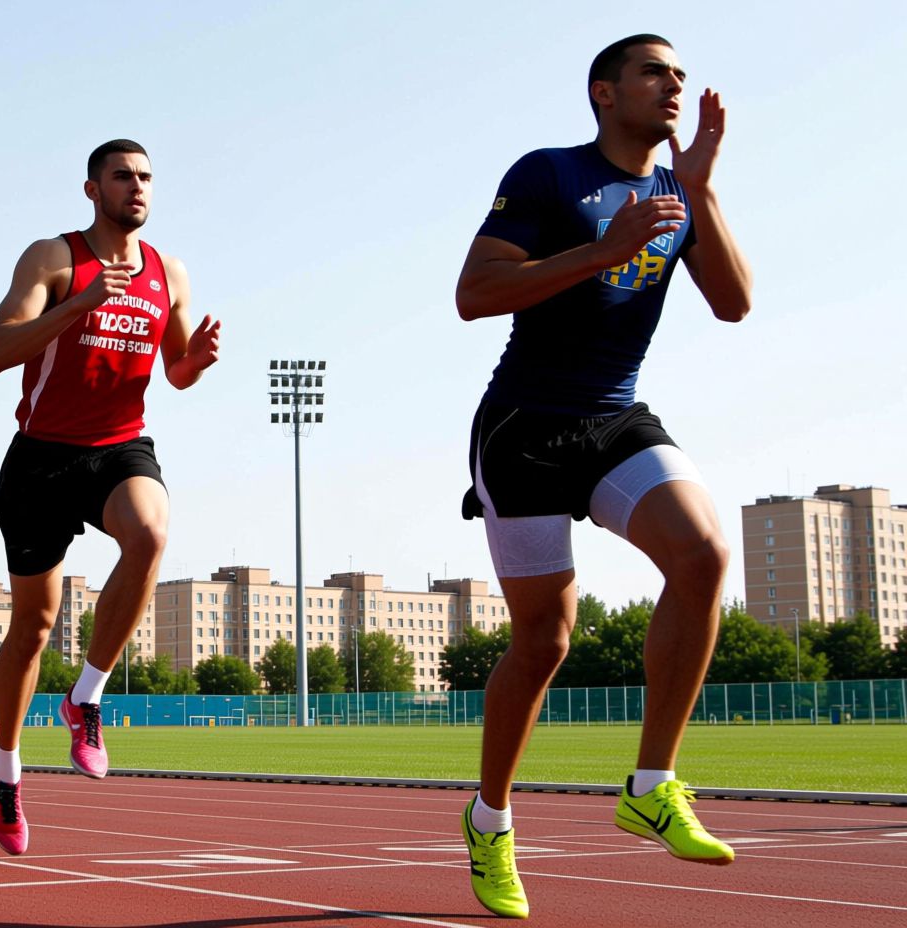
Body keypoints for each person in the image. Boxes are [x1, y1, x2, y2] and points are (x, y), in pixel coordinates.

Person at [453, 35, 751, 919]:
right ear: (604, 91)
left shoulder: (677, 192)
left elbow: (734, 303)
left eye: (680, 76)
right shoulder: (548, 174)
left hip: (615, 416)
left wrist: (699, 191)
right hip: (523, 427)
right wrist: (601, 247)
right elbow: (474, 293)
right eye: (654, 72)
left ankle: (652, 784)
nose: (673, 86)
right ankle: (490, 821)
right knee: (545, 640)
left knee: (702, 556)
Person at [0, 139, 220, 854]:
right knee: (33, 627)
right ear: (92, 189)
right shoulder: (53, 258)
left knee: (150, 534)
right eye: (123, 176)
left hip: (119, 446)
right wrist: (80, 303)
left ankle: (86, 697)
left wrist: (195, 362)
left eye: (147, 177)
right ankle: (6, 772)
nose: (137, 188)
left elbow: (173, 371)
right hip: (41, 457)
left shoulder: (167, 270)